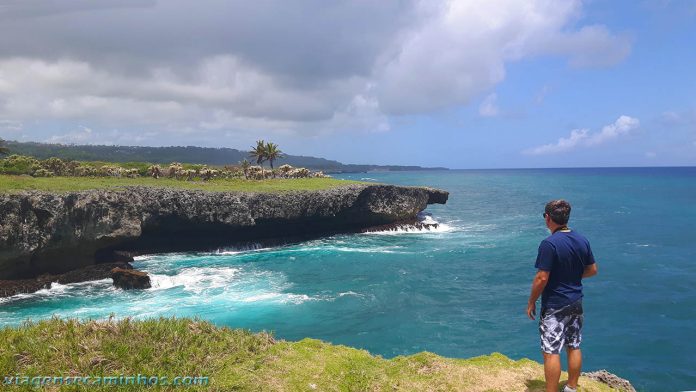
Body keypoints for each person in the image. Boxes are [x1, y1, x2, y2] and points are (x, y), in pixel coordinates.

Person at [526, 200, 598, 392]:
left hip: (555, 304)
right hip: (576, 300)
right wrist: (571, 275)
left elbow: (542, 277)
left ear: (548, 218)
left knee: (551, 351)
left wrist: (531, 301)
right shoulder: (582, 240)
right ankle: (571, 388)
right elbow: (592, 270)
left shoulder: (549, 244)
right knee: (573, 345)